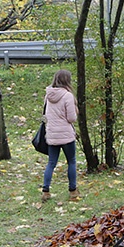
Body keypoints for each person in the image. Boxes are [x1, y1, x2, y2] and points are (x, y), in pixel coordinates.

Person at [41, 70, 79, 201]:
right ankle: (73, 190)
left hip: (51, 134)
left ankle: (45, 190)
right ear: (67, 80)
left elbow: (45, 114)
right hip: (66, 135)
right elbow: (72, 118)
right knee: (71, 161)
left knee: (51, 163)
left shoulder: (48, 96)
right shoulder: (67, 96)